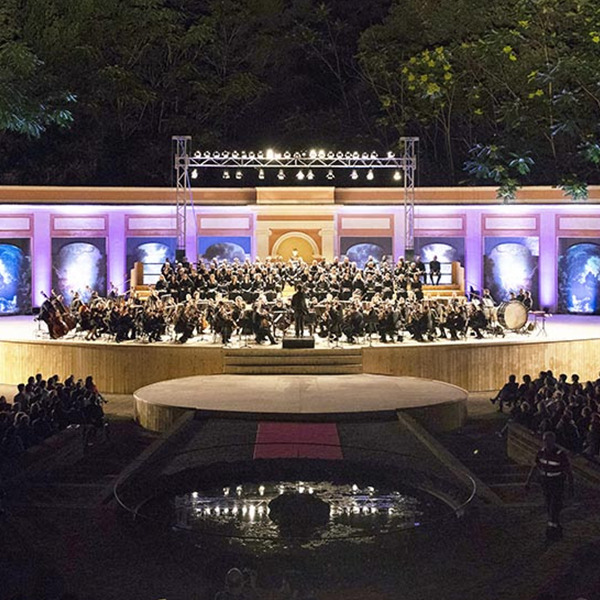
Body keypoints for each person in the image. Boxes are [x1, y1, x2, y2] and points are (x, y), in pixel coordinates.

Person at [525, 431, 574, 540]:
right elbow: (535, 467)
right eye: (545, 440)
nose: (546, 443)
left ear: (553, 441)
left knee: (554, 506)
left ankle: (552, 530)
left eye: (548, 441)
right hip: (545, 483)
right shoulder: (541, 453)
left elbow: (568, 471)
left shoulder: (560, 454)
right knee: (548, 505)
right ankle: (555, 526)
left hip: (557, 483)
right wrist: (528, 481)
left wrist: (571, 487)